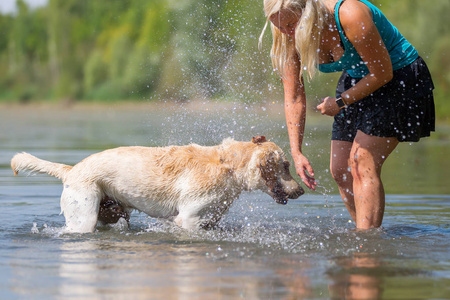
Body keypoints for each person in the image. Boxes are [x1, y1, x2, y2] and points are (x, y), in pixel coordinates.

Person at [260, 0, 435, 229]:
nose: (287, 32)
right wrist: (296, 151)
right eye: (279, 26)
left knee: (362, 160)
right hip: (357, 78)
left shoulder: (349, 14)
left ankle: (367, 248)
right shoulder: (283, 26)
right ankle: (364, 235)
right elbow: (293, 97)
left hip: (399, 76)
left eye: (292, 25)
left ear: (309, 11)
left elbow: (382, 73)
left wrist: (341, 102)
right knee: (341, 169)